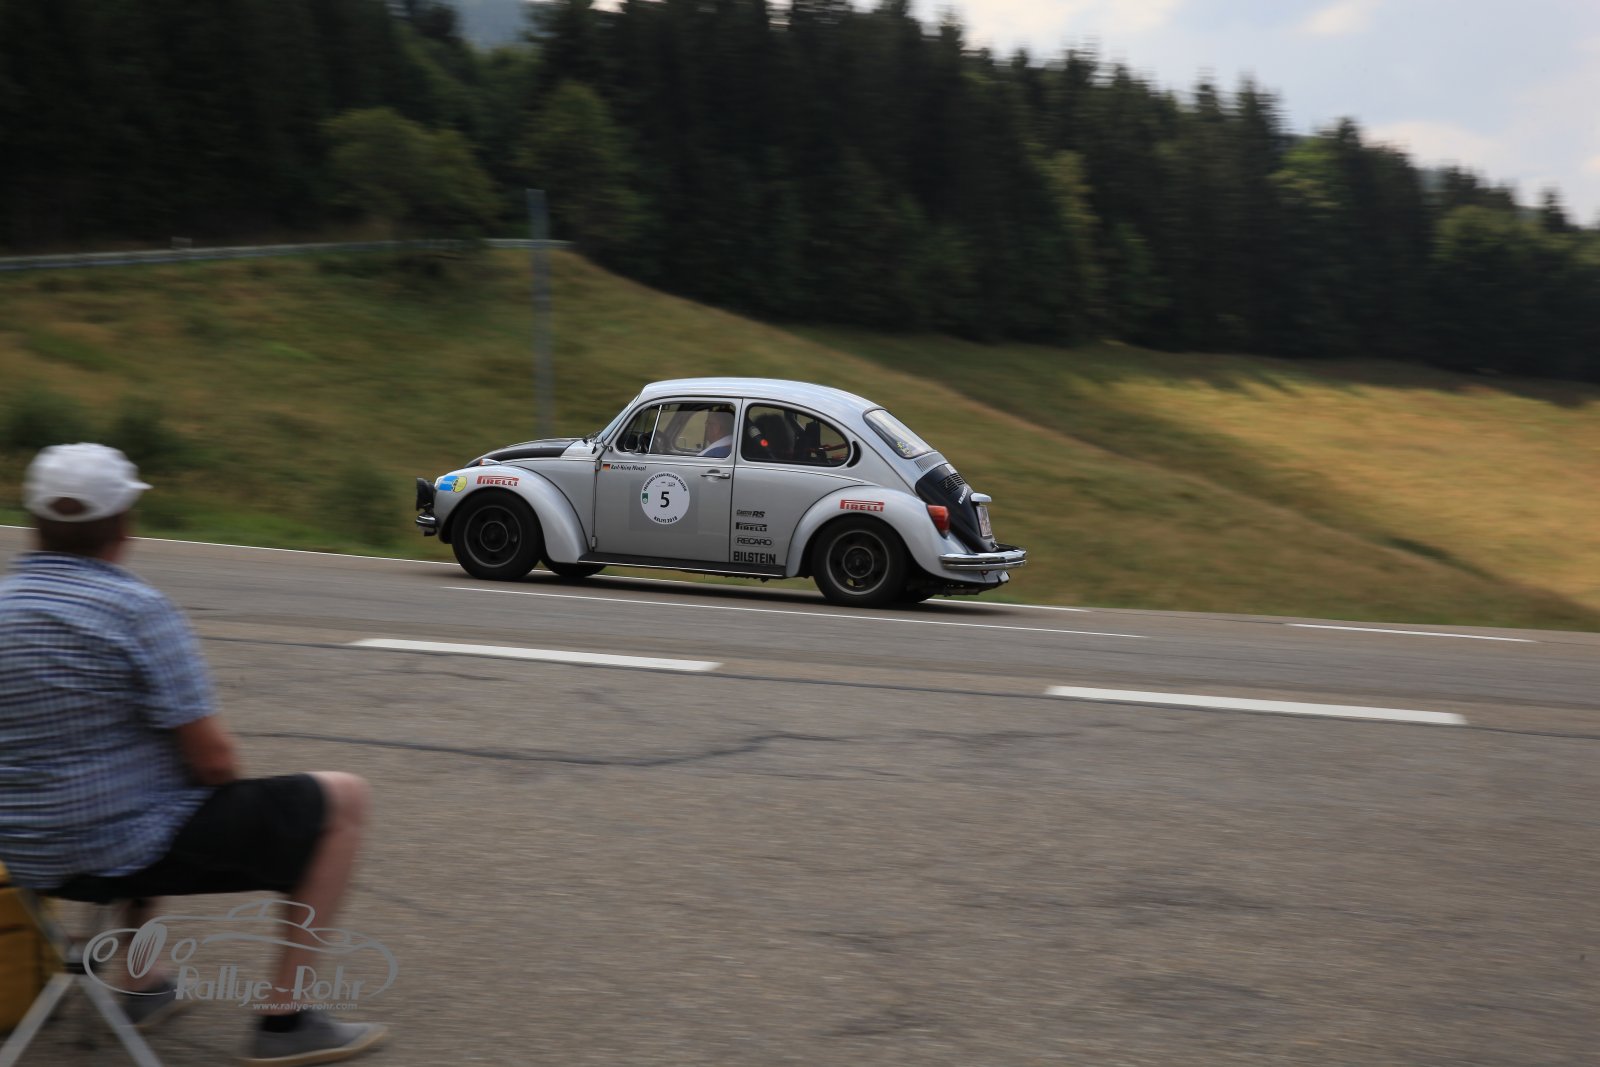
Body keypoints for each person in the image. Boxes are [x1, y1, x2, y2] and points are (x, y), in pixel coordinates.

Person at [0, 444, 387, 1066]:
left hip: (22, 856)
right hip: (113, 852)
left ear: (35, 524)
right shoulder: (137, 610)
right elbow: (215, 764)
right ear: (124, 525)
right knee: (343, 800)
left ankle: (142, 981)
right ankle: (286, 1022)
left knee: (142, 780)